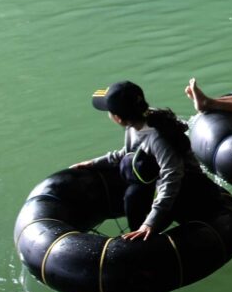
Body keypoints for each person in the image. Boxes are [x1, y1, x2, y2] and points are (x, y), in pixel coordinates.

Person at [72, 80, 221, 241]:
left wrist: (150, 222)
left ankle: (144, 240)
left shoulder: (156, 137)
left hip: (188, 190)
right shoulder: (136, 122)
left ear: (117, 118)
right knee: (131, 190)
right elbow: (128, 152)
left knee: (134, 197)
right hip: (158, 179)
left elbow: (172, 176)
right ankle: (136, 235)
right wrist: (93, 163)